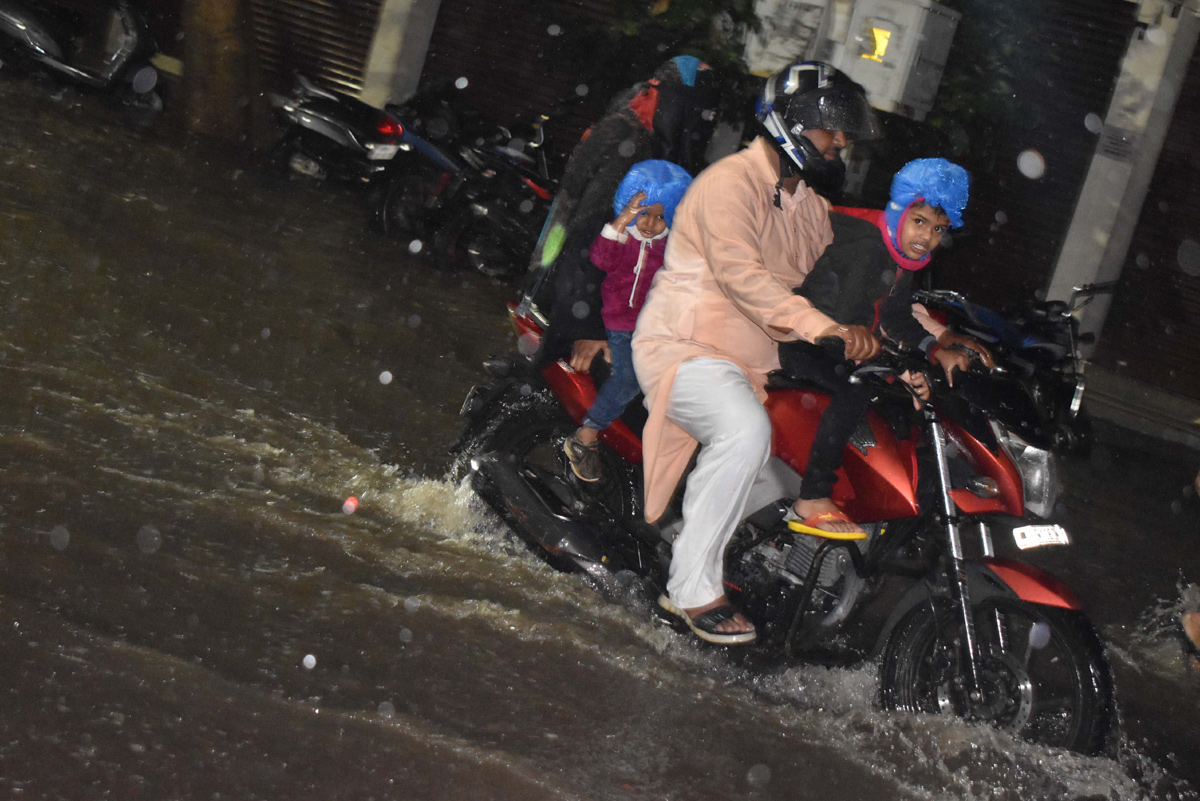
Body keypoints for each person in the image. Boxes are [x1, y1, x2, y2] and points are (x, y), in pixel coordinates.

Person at [631, 61, 883, 645]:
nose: (840, 140)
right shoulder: (729, 184)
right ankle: (690, 591)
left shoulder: (806, 206)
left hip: (750, 359)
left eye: (845, 130)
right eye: (830, 127)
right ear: (790, 123)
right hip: (686, 347)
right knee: (744, 430)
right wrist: (822, 326)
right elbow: (746, 279)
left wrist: (930, 338)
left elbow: (866, 265)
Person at [779, 158, 995, 534]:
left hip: (841, 339)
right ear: (900, 210)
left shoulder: (901, 254)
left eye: (938, 229)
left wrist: (933, 349)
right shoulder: (868, 244)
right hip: (805, 338)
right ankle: (812, 494)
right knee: (856, 386)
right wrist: (900, 367)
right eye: (920, 222)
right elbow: (855, 323)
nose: (926, 238)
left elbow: (895, 314)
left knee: (891, 399)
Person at [529, 56, 720, 371]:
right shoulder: (629, 137)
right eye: (700, 110)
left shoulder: (670, 149)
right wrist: (591, 327)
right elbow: (587, 231)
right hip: (579, 291)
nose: (705, 122)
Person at [562, 160, 693, 483]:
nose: (650, 223)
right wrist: (622, 221)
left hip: (654, 328)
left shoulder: (669, 248)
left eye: (661, 216)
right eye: (644, 213)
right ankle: (586, 436)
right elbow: (601, 259)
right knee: (630, 378)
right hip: (619, 324)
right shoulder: (623, 239)